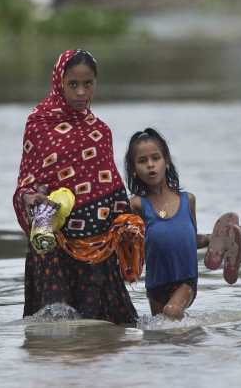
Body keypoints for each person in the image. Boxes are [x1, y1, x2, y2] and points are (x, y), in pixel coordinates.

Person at [13, 49, 143, 325]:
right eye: (73, 84)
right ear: (59, 82)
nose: (81, 92)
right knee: (55, 327)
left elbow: (111, 189)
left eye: (88, 84)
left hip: (96, 247)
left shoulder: (100, 131)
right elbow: (26, 180)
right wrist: (30, 197)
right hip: (52, 245)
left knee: (103, 330)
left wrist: (130, 226)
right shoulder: (38, 123)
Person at [125, 128, 241, 320]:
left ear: (167, 161)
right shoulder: (136, 205)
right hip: (155, 284)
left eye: (155, 158)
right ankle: (192, 342)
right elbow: (130, 245)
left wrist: (214, 240)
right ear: (133, 169)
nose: (150, 165)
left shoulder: (187, 200)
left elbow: (189, 239)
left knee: (171, 311)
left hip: (185, 280)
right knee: (162, 334)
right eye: (142, 161)